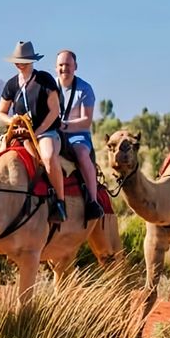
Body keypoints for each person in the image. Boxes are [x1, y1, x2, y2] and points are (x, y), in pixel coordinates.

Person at [0, 40, 66, 222]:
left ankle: (60, 203)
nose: (20, 62)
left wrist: (37, 131)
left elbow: (55, 111)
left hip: (45, 132)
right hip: (16, 133)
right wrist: (12, 120)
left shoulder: (44, 80)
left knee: (48, 157)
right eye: (17, 59)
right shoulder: (11, 85)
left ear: (32, 60)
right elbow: (1, 113)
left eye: (24, 59)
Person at [55, 49, 104, 221]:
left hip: (77, 135)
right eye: (61, 65)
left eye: (68, 65)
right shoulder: (50, 87)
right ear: (55, 68)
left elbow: (86, 121)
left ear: (75, 66)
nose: (64, 68)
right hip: (55, 133)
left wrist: (64, 126)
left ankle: (93, 201)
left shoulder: (85, 89)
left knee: (82, 154)